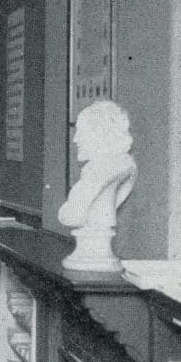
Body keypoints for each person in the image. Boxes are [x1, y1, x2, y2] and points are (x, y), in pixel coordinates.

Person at [57, 100, 137, 271]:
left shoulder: (102, 170)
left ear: (100, 133)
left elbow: (71, 215)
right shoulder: (125, 164)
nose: (75, 139)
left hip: (94, 253)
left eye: (80, 131)